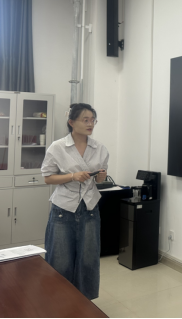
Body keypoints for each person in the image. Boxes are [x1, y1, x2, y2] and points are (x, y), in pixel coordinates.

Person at [41, 103, 109, 300]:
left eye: (93, 120)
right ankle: (59, 302)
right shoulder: (58, 147)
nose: (90, 124)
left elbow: (99, 178)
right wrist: (72, 176)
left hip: (90, 208)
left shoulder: (100, 148)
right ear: (71, 122)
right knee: (60, 259)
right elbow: (48, 178)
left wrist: (101, 177)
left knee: (88, 260)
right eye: (85, 120)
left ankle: (84, 303)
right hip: (64, 208)